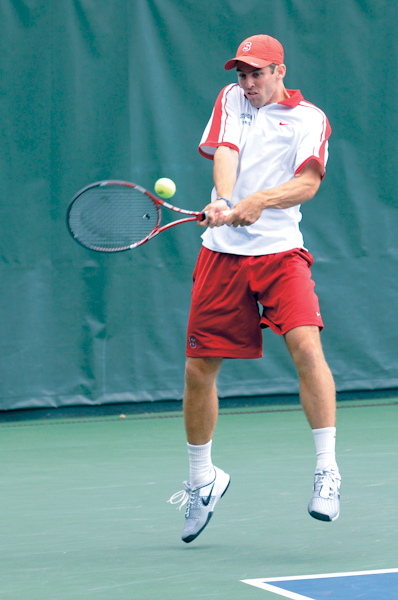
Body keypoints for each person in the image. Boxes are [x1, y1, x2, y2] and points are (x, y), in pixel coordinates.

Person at [168, 34, 341, 543]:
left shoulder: (309, 118)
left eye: (256, 74)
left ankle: (327, 471)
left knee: (307, 346)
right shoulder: (231, 99)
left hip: (280, 255)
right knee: (199, 369)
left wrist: (260, 201)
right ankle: (202, 481)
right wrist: (224, 198)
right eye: (241, 74)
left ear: (279, 71)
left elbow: (308, 183)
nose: (247, 83)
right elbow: (227, 148)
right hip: (222, 254)